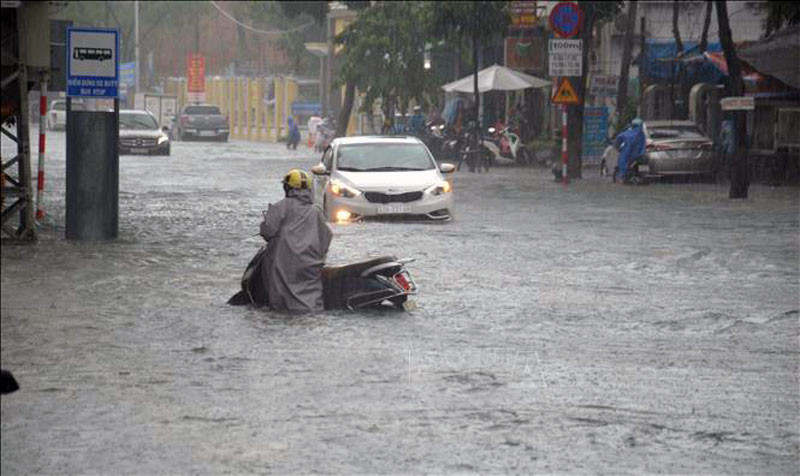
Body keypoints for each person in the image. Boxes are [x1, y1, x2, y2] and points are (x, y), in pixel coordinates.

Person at [259, 169, 333, 312]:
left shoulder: (280, 207)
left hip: (284, 265)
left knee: (281, 302)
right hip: (310, 264)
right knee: (311, 298)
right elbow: (326, 237)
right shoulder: (316, 212)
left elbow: (267, 231)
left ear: (287, 187)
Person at [614, 117, 647, 183]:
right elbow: (643, 145)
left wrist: (617, 147)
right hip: (639, 155)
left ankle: (622, 176)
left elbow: (618, 140)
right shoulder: (642, 134)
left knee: (622, 164)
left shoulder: (626, 133)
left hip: (627, 155)